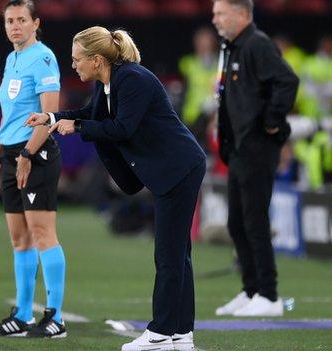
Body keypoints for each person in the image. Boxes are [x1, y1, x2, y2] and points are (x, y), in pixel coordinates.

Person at [27, 26, 206, 351]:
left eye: (77, 59)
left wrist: (78, 127)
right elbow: (91, 114)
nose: (74, 65)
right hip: (173, 168)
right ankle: (180, 332)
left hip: (179, 167)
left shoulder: (131, 79)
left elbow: (122, 127)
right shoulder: (109, 83)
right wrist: (52, 116)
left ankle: (161, 332)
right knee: (178, 255)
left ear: (96, 60)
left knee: (168, 254)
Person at [0, 0, 67, 339]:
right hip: (11, 153)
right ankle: (21, 314)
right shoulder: (12, 58)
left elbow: (49, 115)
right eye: (9, 21)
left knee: (43, 234)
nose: (14, 26)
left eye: (21, 20)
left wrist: (28, 155)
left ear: (35, 23)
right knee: (20, 239)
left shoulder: (44, 57)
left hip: (36, 153)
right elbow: (12, 114)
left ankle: (56, 317)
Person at [211, 0, 299, 317]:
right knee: (237, 222)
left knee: (254, 220)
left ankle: (269, 294)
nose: (215, 18)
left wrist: (271, 121)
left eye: (221, 13)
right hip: (238, 148)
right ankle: (251, 290)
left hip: (257, 146)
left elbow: (287, 81)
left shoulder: (257, 44)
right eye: (214, 12)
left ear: (243, 14)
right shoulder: (233, 46)